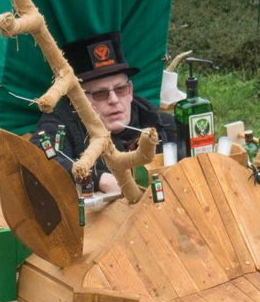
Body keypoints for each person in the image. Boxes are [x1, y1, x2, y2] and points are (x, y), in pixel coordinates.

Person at [32, 30, 176, 195]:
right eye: (100, 94)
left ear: (130, 91)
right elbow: (39, 157)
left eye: (120, 89)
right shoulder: (62, 122)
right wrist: (98, 179)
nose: (114, 99)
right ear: (78, 100)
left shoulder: (162, 124)